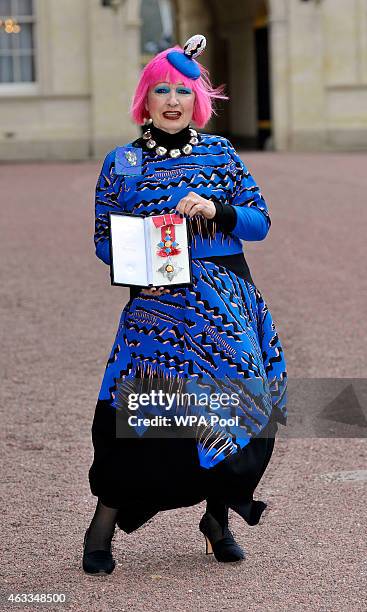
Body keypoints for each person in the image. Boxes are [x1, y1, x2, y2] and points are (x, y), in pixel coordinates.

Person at [83, 35, 287, 575]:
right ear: (144, 99)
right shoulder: (121, 162)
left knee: (227, 413)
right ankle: (102, 526)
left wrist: (218, 209)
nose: (172, 100)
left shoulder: (221, 154)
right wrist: (140, 257)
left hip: (224, 305)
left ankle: (217, 520)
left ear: (197, 99)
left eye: (183, 90)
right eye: (160, 90)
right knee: (141, 418)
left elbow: (260, 223)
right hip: (156, 310)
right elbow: (104, 238)